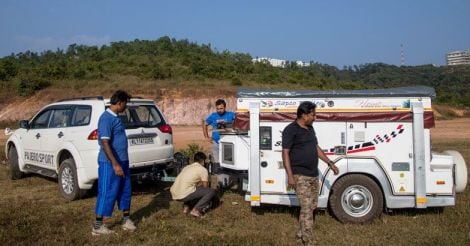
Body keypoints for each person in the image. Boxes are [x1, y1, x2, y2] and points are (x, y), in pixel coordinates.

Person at [282, 101, 340, 245]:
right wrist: (290, 176)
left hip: (313, 174)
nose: (315, 117)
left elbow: (315, 147)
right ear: (304, 115)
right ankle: (309, 241)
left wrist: (329, 162)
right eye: (313, 114)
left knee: (312, 206)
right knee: (307, 208)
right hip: (299, 175)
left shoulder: (310, 129)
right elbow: (285, 153)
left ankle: (300, 235)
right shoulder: (290, 130)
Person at [92, 90, 136, 235]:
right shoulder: (106, 118)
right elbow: (105, 142)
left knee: (125, 190)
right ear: (119, 103)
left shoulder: (117, 117)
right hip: (109, 163)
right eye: (125, 104)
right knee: (107, 191)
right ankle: (98, 226)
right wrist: (115, 164)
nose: (126, 107)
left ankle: (126, 220)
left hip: (123, 161)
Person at [170, 152, 216, 218]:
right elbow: (206, 187)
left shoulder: (187, 167)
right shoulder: (202, 169)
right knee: (210, 191)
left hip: (174, 193)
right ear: (203, 161)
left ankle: (186, 207)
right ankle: (196, 210)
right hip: (183, 194)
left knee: (193, 188)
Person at [202, 99, 235, 163]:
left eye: (221, 108)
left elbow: (240, 120)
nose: (219, 110)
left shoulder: (231, 114)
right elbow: (205, 124)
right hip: (216, 143)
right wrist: (206, 137)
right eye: (217, 109)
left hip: (228, 143)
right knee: (217, 162)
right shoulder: (213, 116)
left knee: (228, 162)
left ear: (225, 107)